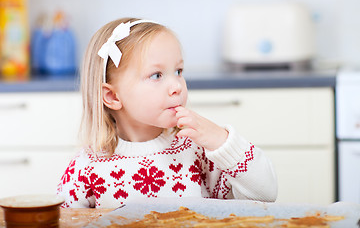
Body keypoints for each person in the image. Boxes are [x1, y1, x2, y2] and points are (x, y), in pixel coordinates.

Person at [57, 17, 277, 208]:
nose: (177, 86)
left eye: (178, 71)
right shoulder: (86, 167)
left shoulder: (197, 150)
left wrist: (222, 141)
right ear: (113, 97)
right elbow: (63, 220)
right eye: (157, 75)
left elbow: (265, 195)